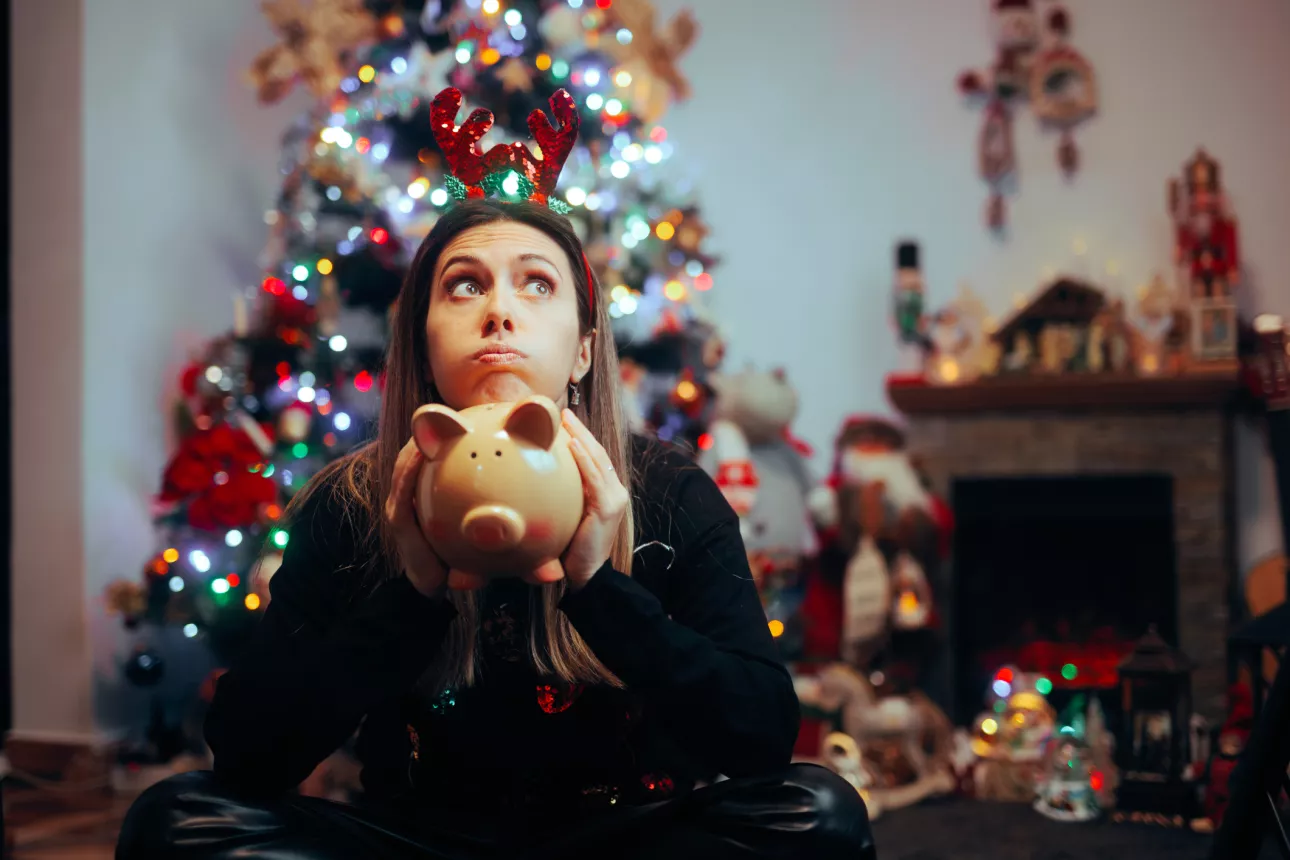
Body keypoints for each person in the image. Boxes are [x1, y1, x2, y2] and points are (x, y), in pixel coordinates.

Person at [115, 197, 875, 860]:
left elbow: (760, 739)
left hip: (623, 843)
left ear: (583, 347)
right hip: (416, 842)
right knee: (175, 823)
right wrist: (411, 595)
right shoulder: (350, 504)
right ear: (423, 341)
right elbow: (246, 754)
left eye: (536, 284)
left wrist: (598, 588)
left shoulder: (667, 494)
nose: (498, 312)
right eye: (465, 285)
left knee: (820, 815)